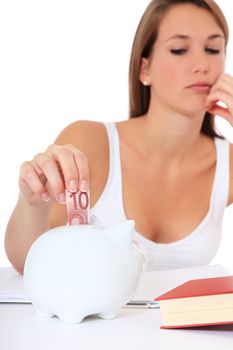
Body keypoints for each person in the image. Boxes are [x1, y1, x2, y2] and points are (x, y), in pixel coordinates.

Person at [5, 0, 233, 275]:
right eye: (179, 49)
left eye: (213, 49)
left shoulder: (227, 163)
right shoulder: (89, 141)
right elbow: (28, 262)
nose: (201, 64)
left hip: (188, 319)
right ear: (144, 70)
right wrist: (32, 204)